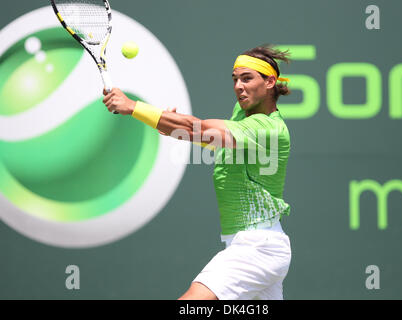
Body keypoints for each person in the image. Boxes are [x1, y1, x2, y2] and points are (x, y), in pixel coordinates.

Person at [102, 45, 292, 300]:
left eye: (247, 78)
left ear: (270, 82)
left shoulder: (266, 129)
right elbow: (204, 136)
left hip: (256, 248)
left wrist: (133, 106)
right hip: (257, 245)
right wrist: (170, 125)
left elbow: (196, 129)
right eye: (235, 79)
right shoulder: (244, 114)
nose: (238, 86)